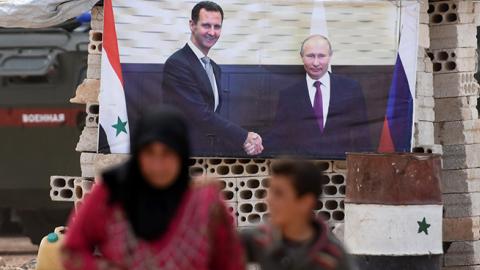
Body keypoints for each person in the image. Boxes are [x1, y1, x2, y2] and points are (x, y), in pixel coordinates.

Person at [61, 106, 245, 270]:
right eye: (149, 153)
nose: (158, 165)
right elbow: (71, 251)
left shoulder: (204, 203)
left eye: (167, 153)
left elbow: (231, 262)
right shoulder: (111, 194)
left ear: (181, 153)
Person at [162, 1, 263, 156]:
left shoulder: (214, 68)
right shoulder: (177, 64)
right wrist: (244, 137)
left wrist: (244, 142)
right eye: (206, 25)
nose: (212, 32)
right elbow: (200, 115)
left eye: (217, 26)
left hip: (206, 153)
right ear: (192, 25)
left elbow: (213, 116)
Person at [265, 35, 371, 158]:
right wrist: (253, 143)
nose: (316, 63)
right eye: (310, 56)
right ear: (301, 57)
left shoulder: (351, 88)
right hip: (303, 169)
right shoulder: (288, 95)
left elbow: (363, 136)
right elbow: (278, 137)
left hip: (340, 169)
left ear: (330, 56)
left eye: (321, 56)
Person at [241, 159, 356, 270]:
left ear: (306, 202)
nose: (268, 200)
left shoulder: (332, 258)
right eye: (269, 191)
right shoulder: (259, 238)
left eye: (279, 193)